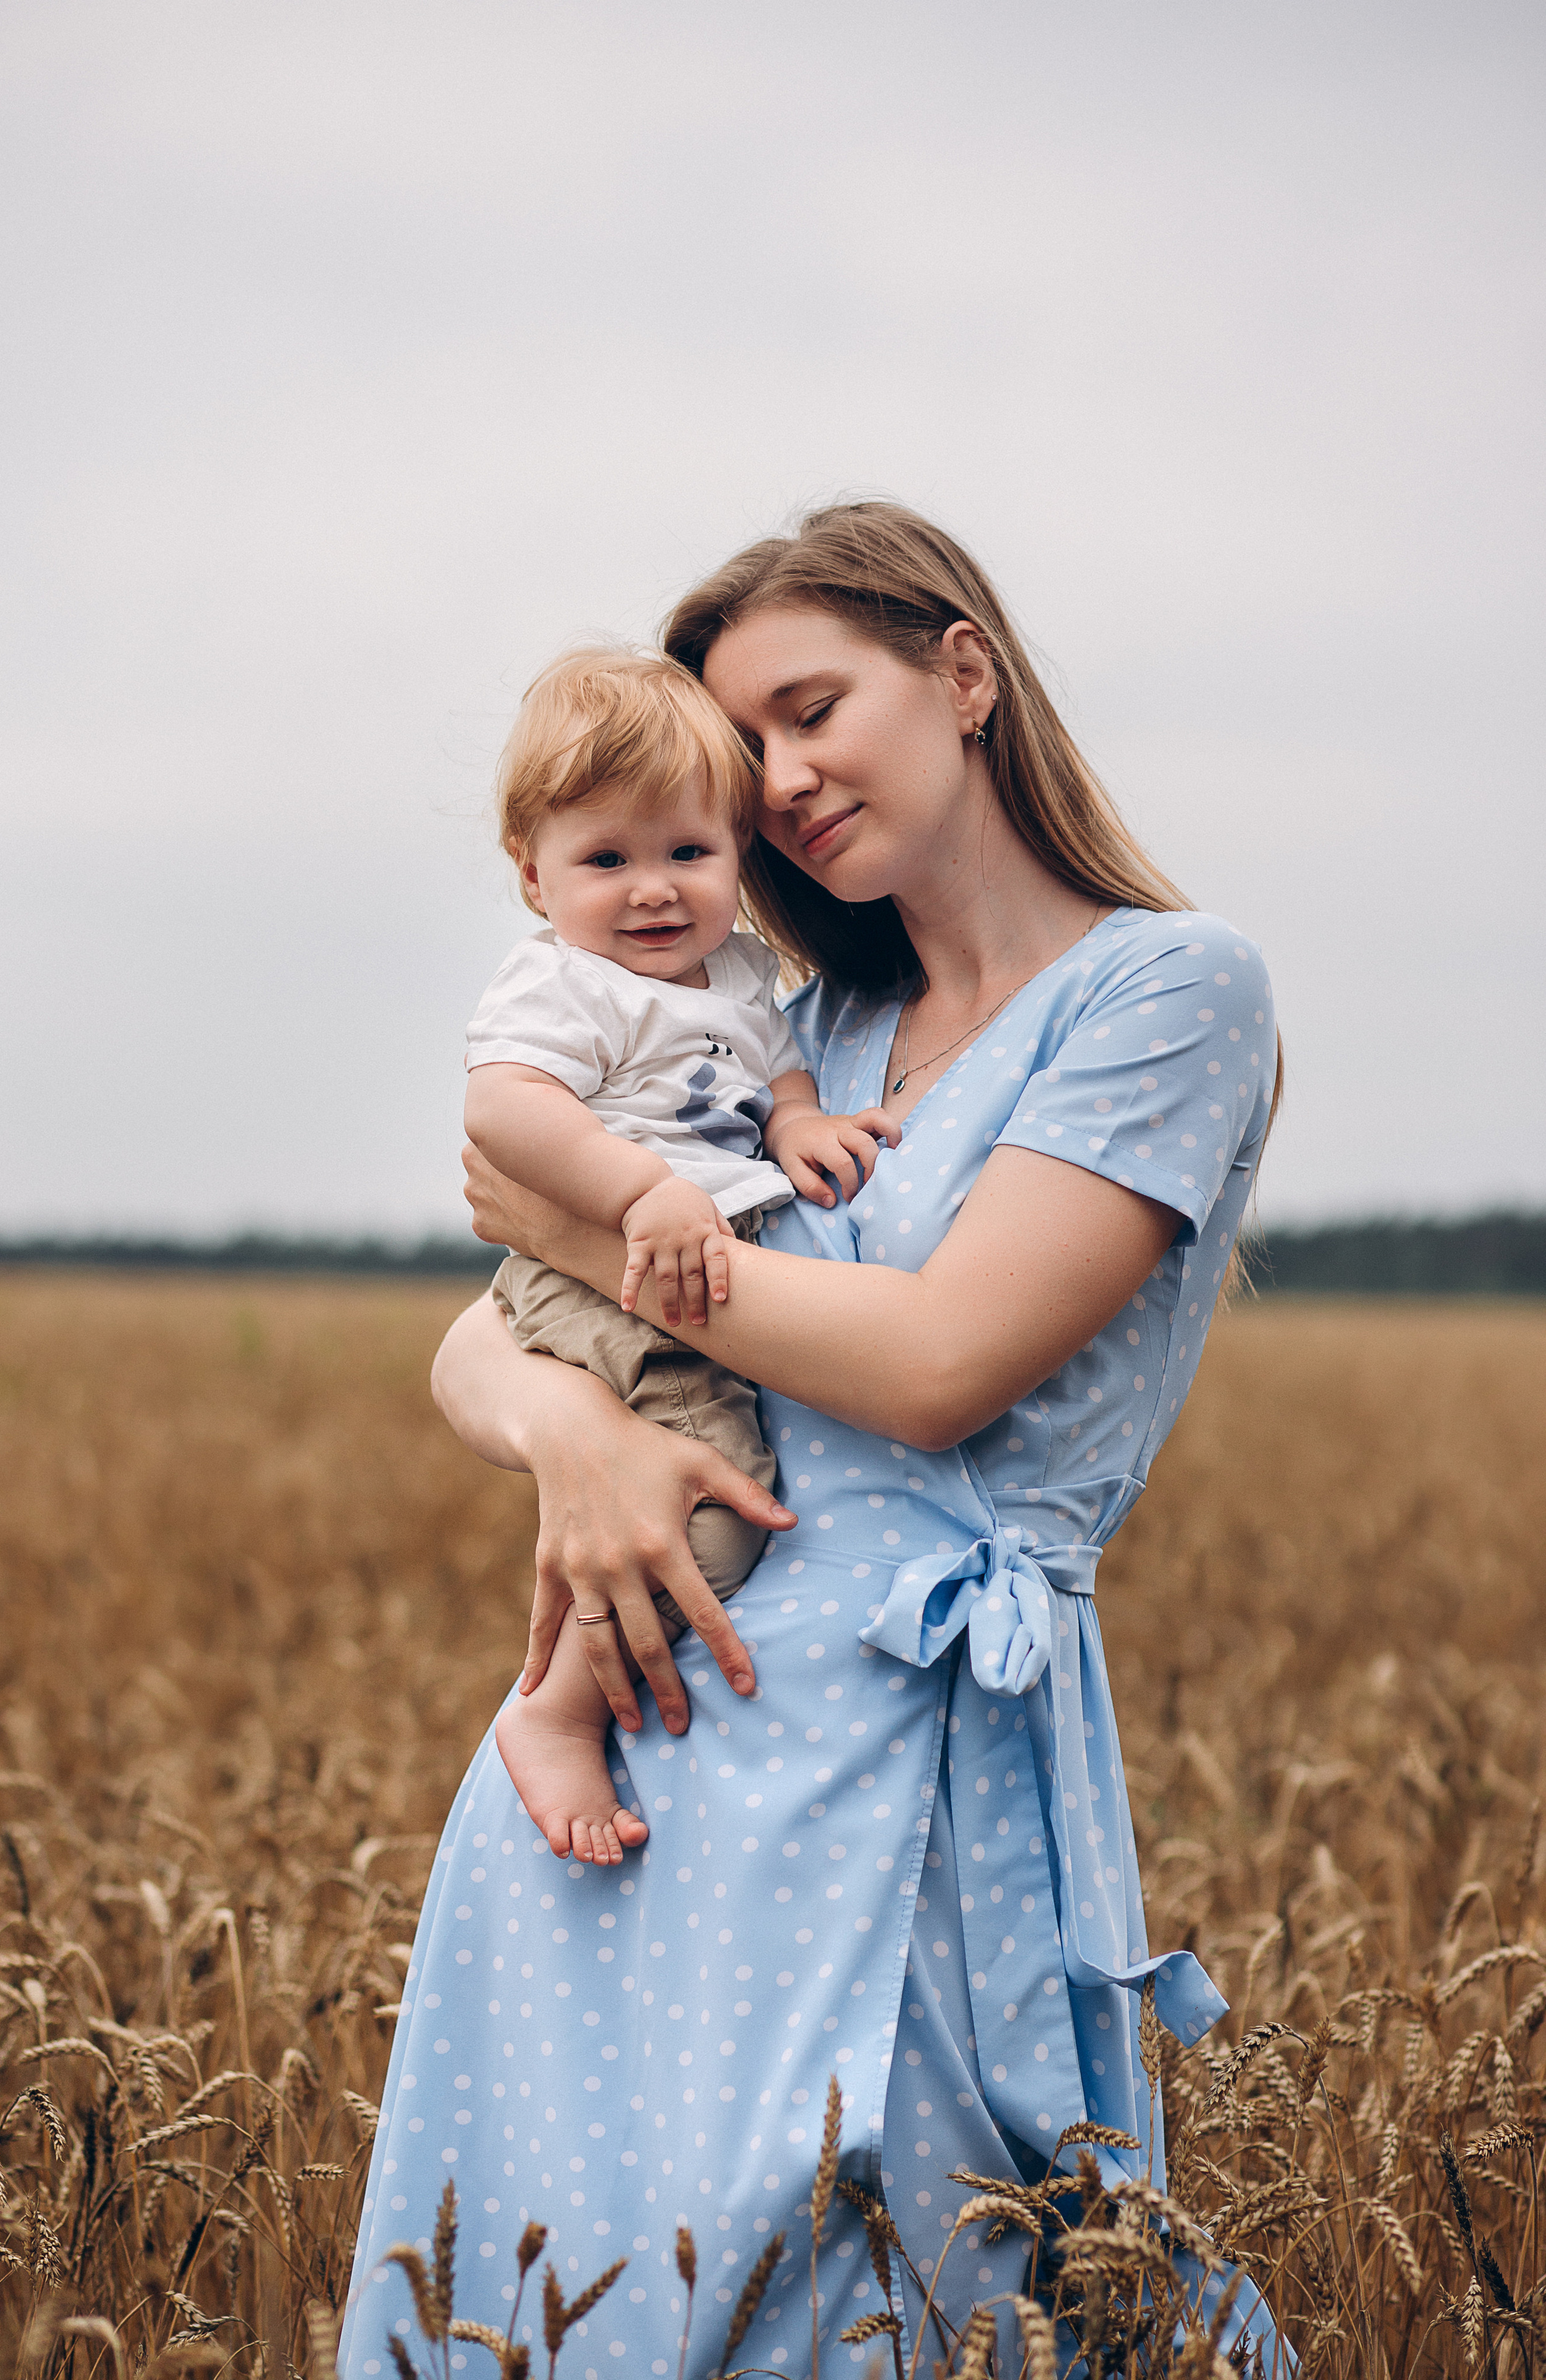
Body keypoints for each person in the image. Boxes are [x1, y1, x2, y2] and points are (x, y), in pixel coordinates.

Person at [340, 503, 1288, 2376]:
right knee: (562, 2308)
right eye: (739, 746)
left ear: (963, 672)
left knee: (901, 2301)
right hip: (628, 1756)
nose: (773, 785)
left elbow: (938, 1365)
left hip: (921, 1765)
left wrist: (563, 1226)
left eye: (809, 708)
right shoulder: (795, 1033)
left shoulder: (1168, 990)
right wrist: (572, 1435)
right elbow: (478, 1348)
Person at [468, 647, 897, 1866]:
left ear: (735, 858)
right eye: (605, 860)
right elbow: (501, 1111)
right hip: (594, 1283)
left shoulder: (737, 973)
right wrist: (637, 1192)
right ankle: (551, 1716)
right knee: (710, 1512)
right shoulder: (565, 986)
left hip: (680, 1281)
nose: (651, 891)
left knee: (699, 1488)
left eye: (686, 854)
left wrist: (799, 1123)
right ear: (531, 874)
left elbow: (771, 1072)